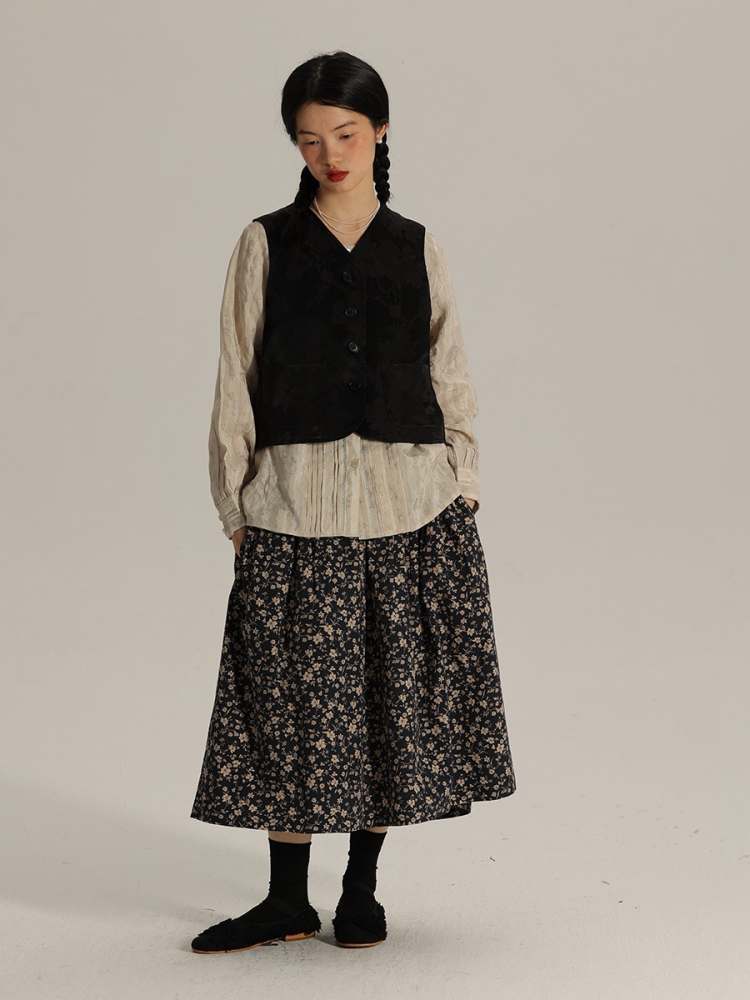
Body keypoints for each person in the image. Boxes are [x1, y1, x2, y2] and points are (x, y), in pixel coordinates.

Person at [189, 49, 517, 954]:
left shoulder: (417, 245)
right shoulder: (264, 243)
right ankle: (285, 899)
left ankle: (361, 887)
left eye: (345, 133)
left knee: (389, 701)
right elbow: (235, 377)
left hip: (413, 509)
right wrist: (235, 507)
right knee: (287, 703)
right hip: (292, 511)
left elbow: (450, 369)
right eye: (309, 139)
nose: (330, 155)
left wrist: (465, 486)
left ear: (380, 130)